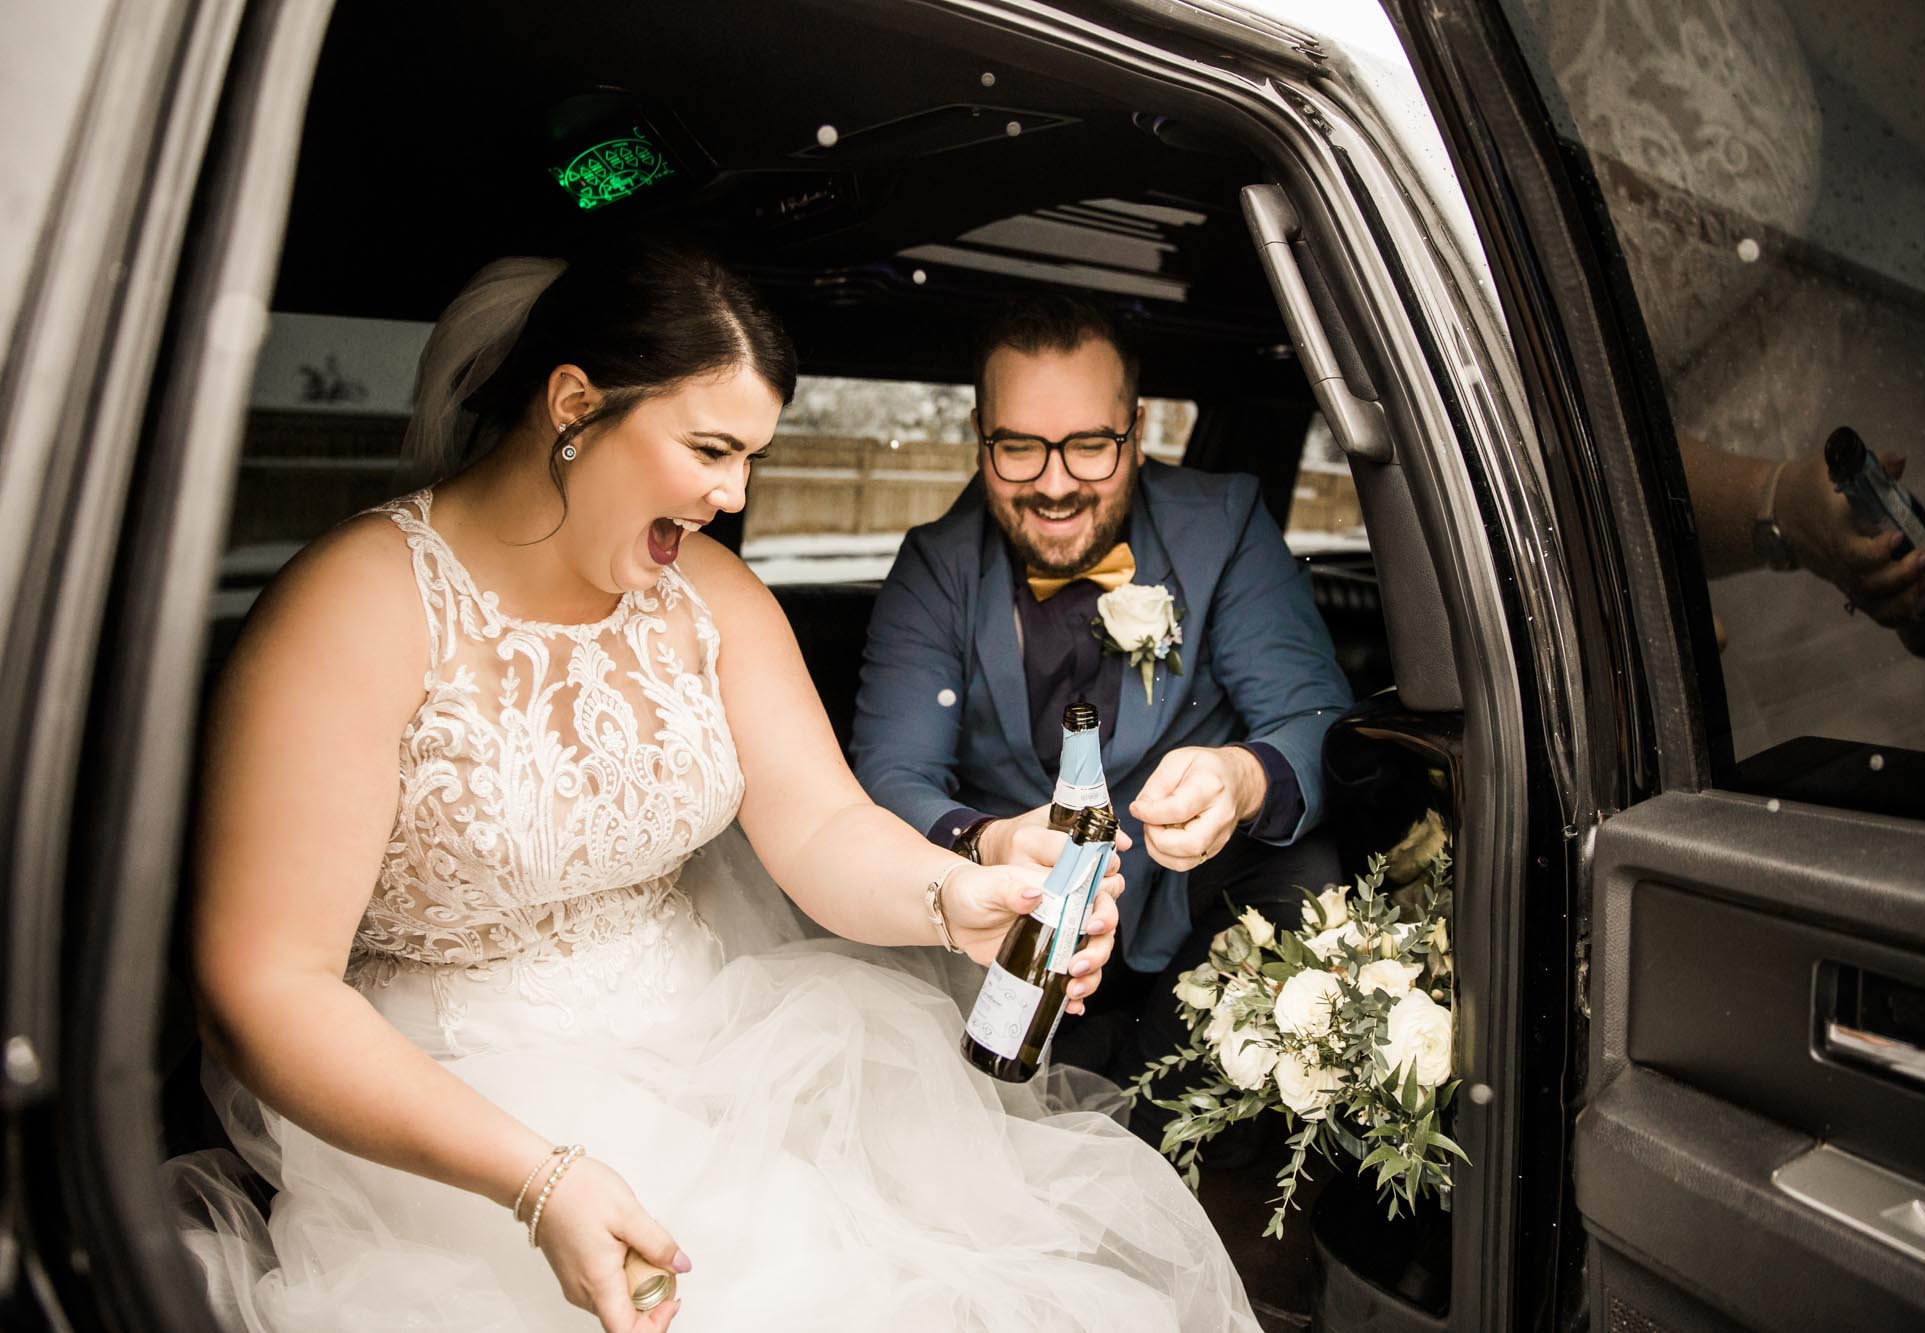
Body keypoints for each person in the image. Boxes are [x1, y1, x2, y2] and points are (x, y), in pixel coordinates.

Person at [168, 239, 1262, 1332]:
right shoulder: (352, 609)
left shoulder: (708, 593)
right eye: (710, 448)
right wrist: (538, 1180)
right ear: (573, 405)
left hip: (728, 1071)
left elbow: (822, 823)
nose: (734, 492)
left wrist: (949, 894)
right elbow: (265, 986)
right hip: (448, 1131)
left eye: (752, 457)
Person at [849, 293, 1353, 1139]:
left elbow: (1313, 716)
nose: (1053, 484)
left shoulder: (1223, 523)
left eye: (1089, 446)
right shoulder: (935, 566)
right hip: (1016, 934)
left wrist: (1243, 775)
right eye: (1018, 447)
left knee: (1308, 869)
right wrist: (989, 844)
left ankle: (1165, 1141)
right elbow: (890, 777)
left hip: (1186, 921)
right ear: (981, 436)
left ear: (1138, 428)